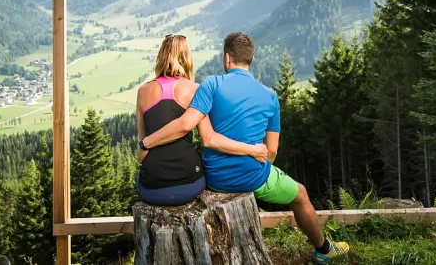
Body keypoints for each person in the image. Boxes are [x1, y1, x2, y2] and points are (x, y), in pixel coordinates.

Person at [141, 32, 350, 263]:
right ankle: (323, 249)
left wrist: (146, 143)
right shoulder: (270, 97)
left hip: (213, 179)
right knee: (300, 193)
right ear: (250, 59)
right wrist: (253, 161)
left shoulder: (211, 84)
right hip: (254, 176)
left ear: (226, 58)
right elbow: (271, 151)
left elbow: (206, 138)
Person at [135, 33, 267, 206]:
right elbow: (208, 137)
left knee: (140, 177)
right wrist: (251, 150)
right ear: (187, 58)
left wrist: (147, 145)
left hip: (152, 188)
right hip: (190, 184)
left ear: (161, 57)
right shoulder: (195, 90)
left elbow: (142, 145)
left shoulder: (142, 91)